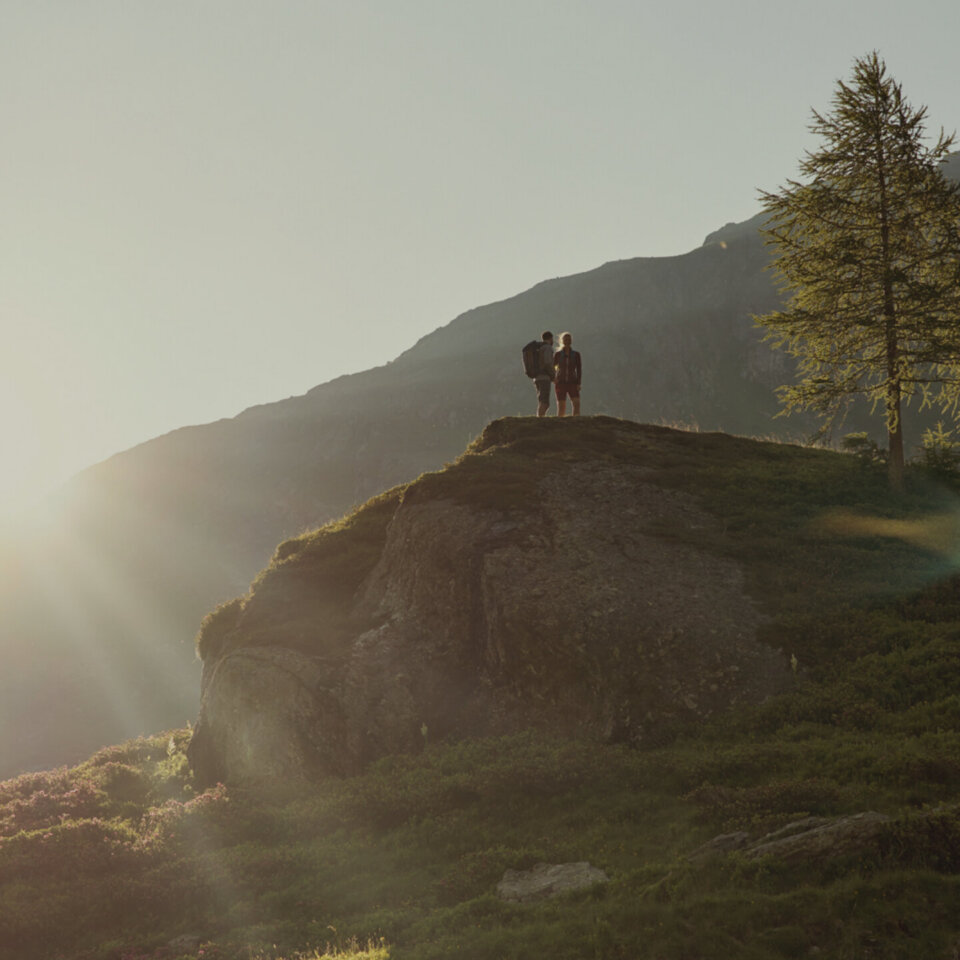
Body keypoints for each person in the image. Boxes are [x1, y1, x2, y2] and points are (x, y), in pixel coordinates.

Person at [553, 331, 581, 416]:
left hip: (572, 382)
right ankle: (561, 423)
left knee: (576, 403)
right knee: (561, 405)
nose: (567, 341)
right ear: (562, 341)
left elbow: (579, 369)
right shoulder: (558, 355)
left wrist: (578, 383)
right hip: (560, 382)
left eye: (569, 339)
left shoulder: (576, 355)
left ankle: (576, 422)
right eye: (565, 339)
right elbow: (553, 367)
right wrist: (554, 377)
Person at [533, 330, 555, 417]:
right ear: (551, 338)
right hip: (544, 377)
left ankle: (540, 418)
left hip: (537, 377)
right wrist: (553, 375)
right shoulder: (547, 348)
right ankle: (540, 420)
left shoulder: (539, 348)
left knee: (541, 400)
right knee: (545, 402)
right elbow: (547, 363)